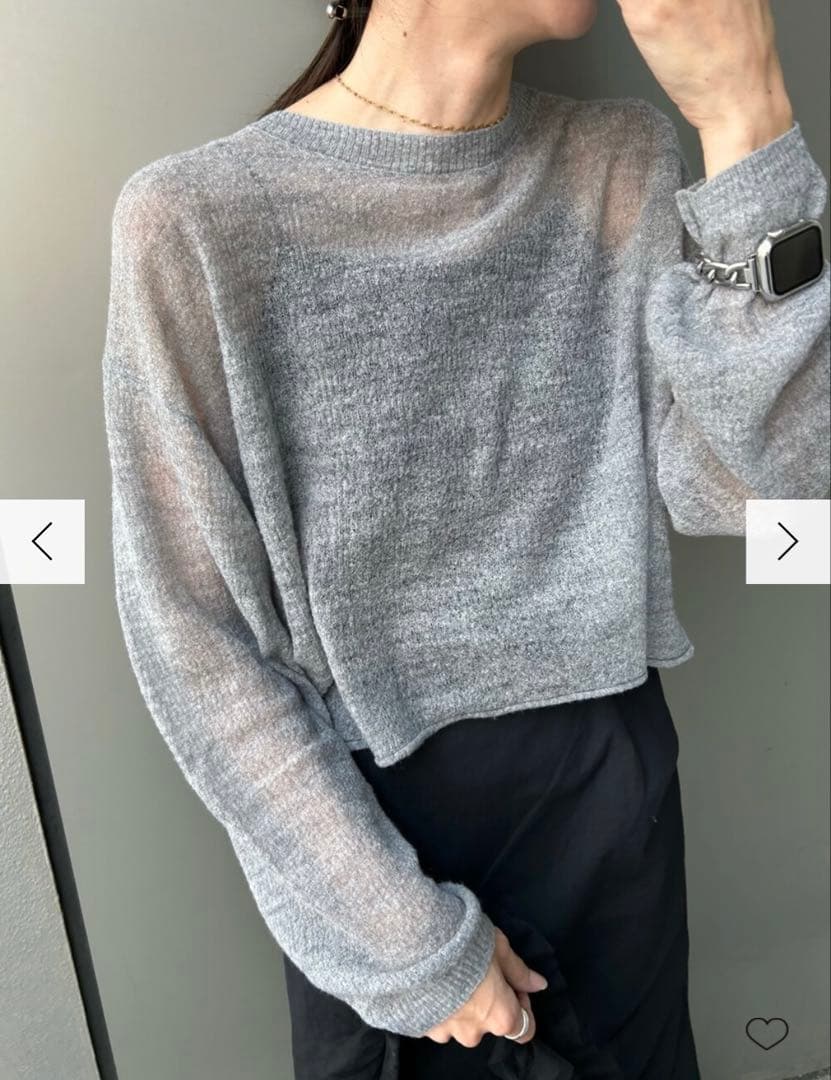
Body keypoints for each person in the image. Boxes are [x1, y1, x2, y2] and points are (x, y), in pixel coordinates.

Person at [101, 0, 830, 1077]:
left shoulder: (617, 158)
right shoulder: (197, 218)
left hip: (610, 785)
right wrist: (409, 944)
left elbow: (761, 490)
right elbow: (193, 639)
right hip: (367, 829)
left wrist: (746, 126)